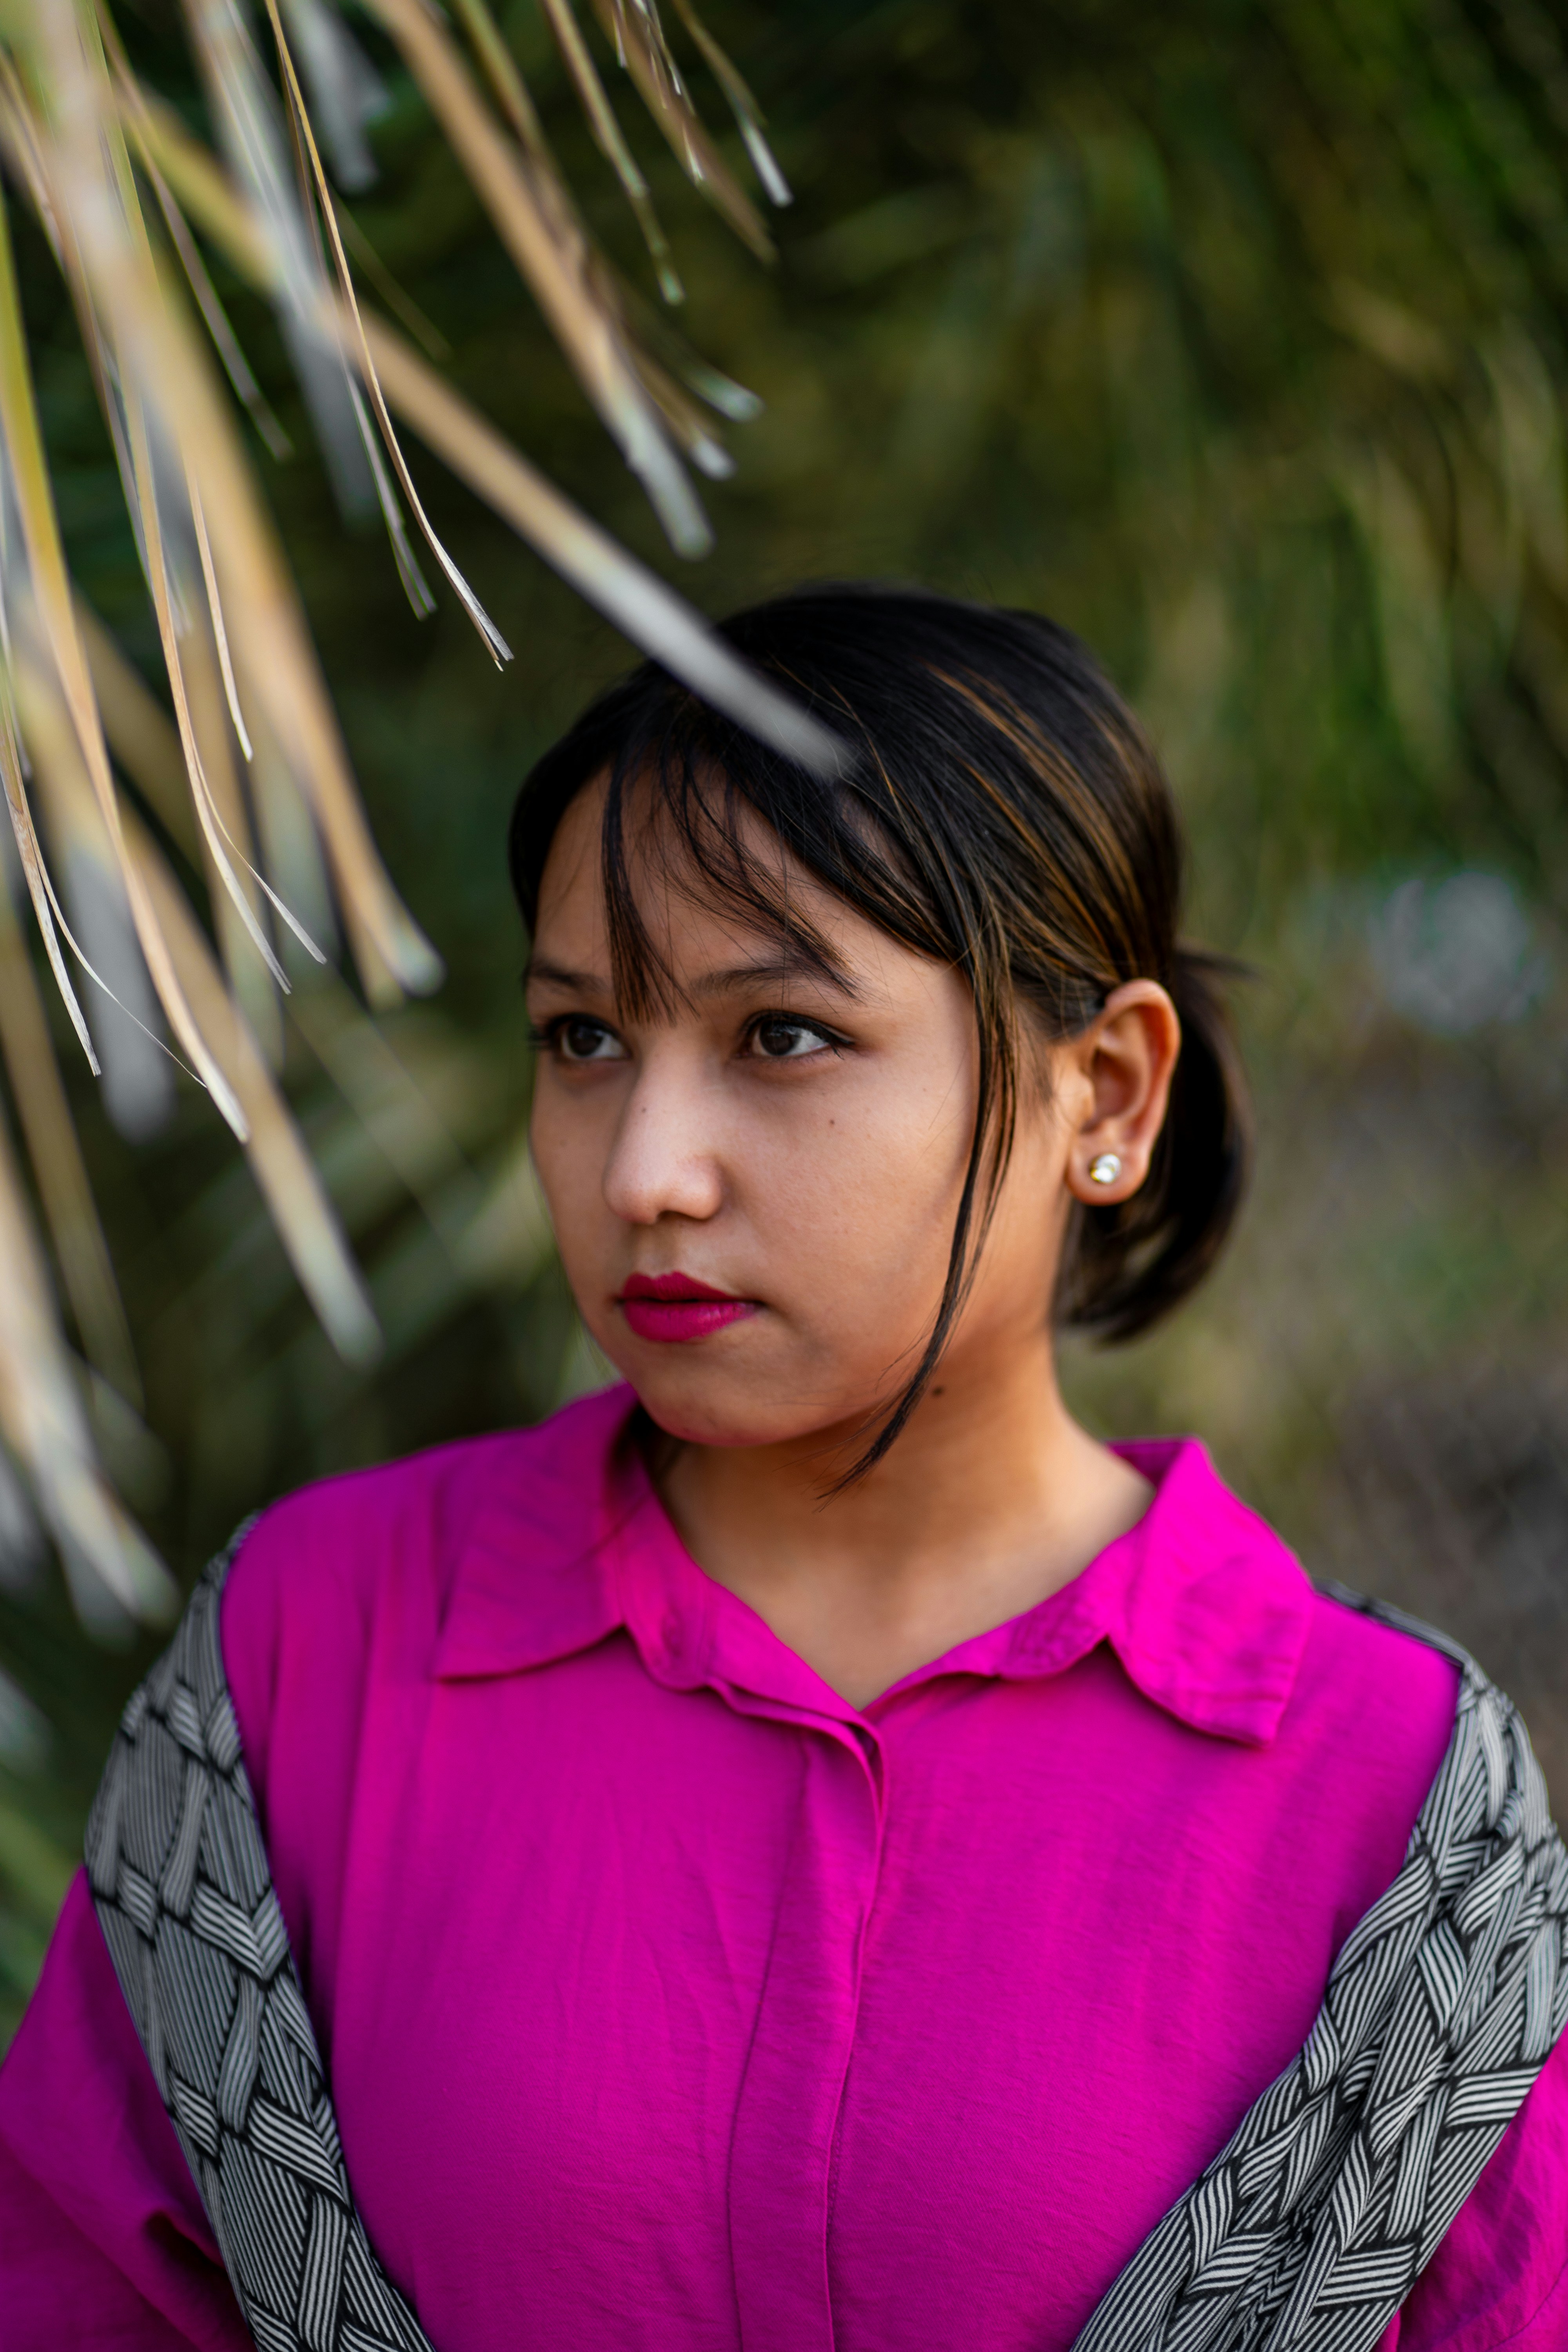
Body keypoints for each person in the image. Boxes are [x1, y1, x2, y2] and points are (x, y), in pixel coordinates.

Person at [0, 583, 1564, 2352]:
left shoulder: (1391, 1806)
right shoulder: (305, 1660)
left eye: (782, 1037)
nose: (645, 1168)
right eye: (583, 1038)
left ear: (1106, 1096)